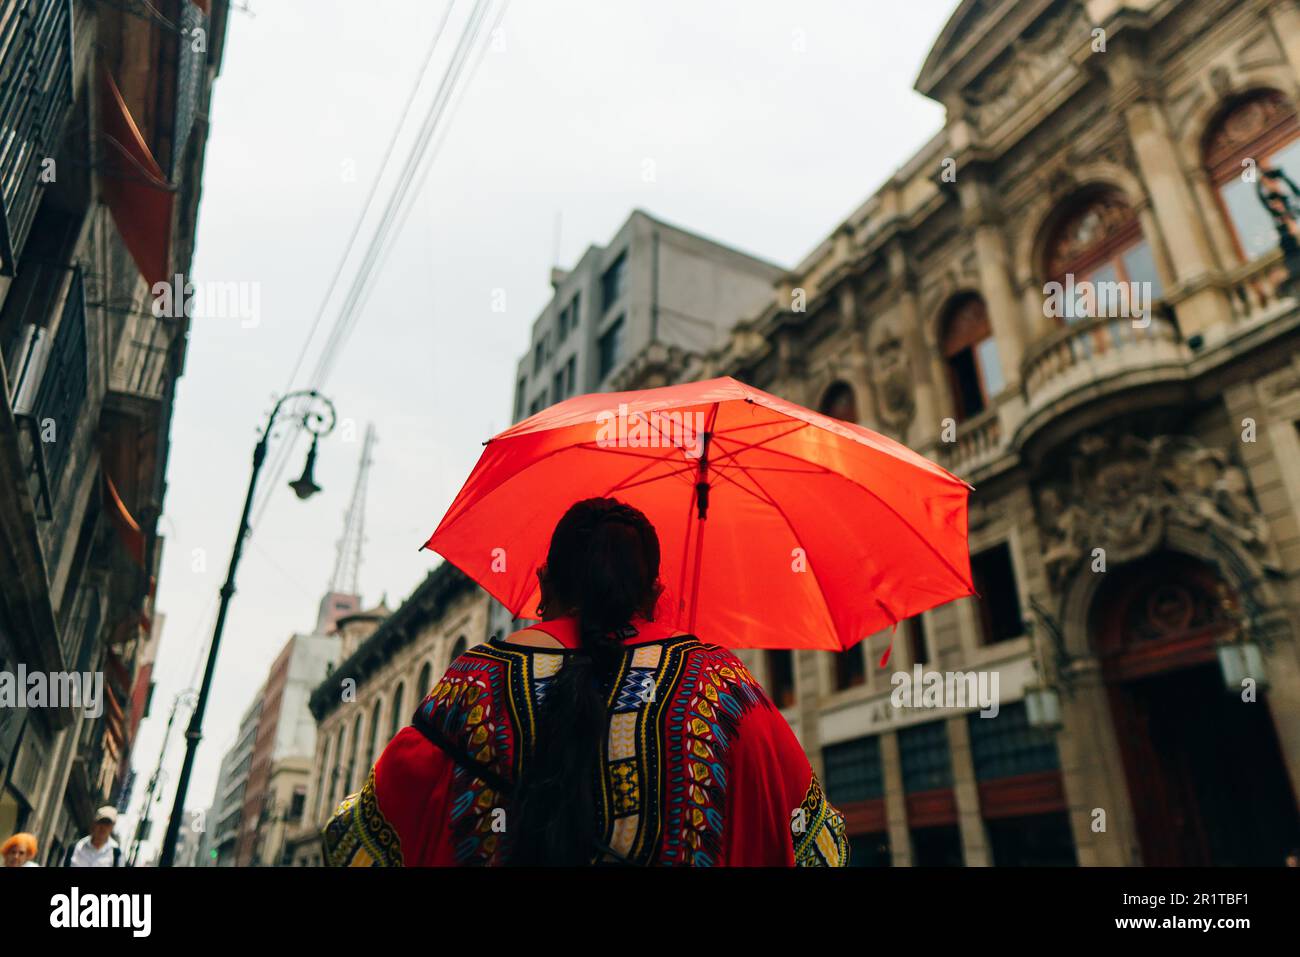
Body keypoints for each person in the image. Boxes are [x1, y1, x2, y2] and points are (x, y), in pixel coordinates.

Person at [324, 496, 849, 866]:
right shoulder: (718, 685)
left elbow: (356, 837)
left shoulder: (473, 683)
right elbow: (819, 843)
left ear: (543, 584)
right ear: (654, 592)